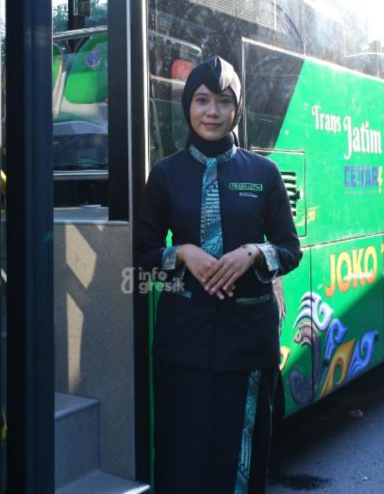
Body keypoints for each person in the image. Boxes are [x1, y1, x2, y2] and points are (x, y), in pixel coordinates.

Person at [136, 55, 302, 494]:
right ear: (188, 105)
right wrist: (183, 252)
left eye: (223, 102)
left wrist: (252, 252)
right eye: (202, 100)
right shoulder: (166, 174)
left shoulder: (262, 173)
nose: (212, 112)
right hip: (183, 341)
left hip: (246, 342)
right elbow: (142, 253)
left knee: (240, 455)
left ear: (237, 109)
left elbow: (289, 250)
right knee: (182, 451)